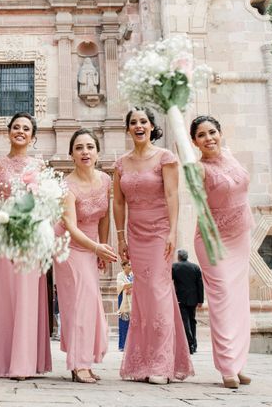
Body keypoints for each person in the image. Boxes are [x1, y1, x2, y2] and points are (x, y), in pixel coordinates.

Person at [113, 107, 193, 384]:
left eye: (143, 121)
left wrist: (173, 232)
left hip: (159, 231)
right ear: (128, 129)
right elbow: (119, 202)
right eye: (133, 122)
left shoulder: (165, 158)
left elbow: (172, 195)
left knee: (158, 293)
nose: (138, 126)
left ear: (151, 127)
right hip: (135, 233)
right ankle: (143, 361)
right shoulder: (120, 163)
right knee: (143, 296)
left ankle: (161, 364)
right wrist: (120, 236)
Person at [0, 112, 52, 378]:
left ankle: (23, 362)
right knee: (3, 294)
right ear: (8, 132)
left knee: (25, 296)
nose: (20, 131)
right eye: (16, 127)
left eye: (26, 129)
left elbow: (45, 203)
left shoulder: (40, 166)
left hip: (30, 236)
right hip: (3, 236)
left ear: (33, 136)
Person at [190, 115, 253, 389]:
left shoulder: (229, 154)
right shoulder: (197, 169)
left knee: (239, 301)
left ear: (221, 133)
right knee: (222, 299)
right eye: (201, 135)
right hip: (213, 240)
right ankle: (227, 366)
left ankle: (238, 364)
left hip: (241, 236)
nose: (209, 138)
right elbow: (200, 207)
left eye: (212, 132)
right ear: (194, 141)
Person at [54, 129, 117, 383]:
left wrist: (101, 245)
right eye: (79, 148)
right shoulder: (65, 185)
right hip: (69, 245)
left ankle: (85, 361)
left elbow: (104, 216)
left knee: (90, 303)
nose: (85, 152)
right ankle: (78, 364)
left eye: (90, 147)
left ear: (97, 152)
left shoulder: (105, 180)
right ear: (71, 154)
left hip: (91, 244)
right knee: (78, 303)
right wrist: (95, 247)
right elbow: (70, 225)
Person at [172, 249, 204, 355]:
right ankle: (194, 344)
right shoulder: (195, 267)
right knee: (192, 321)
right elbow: (200, 285)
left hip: (181, 298)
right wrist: (200, 300)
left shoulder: (175, 267)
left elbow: (169, 280)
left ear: (179, 257)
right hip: (193, 299)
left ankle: (189, 344)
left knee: (184, 321)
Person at [116, 260, 133, 352]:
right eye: (128, 265)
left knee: (132, 324)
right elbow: (121, 286)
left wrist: (130, 287)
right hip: (123, 300)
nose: (130, 266)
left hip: (131, 301)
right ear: (123, 266)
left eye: (131, 265)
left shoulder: (132, 275)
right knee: (123, 323)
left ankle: (130, 345)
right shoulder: (120, 275)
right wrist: (130, 286)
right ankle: (122, 345)